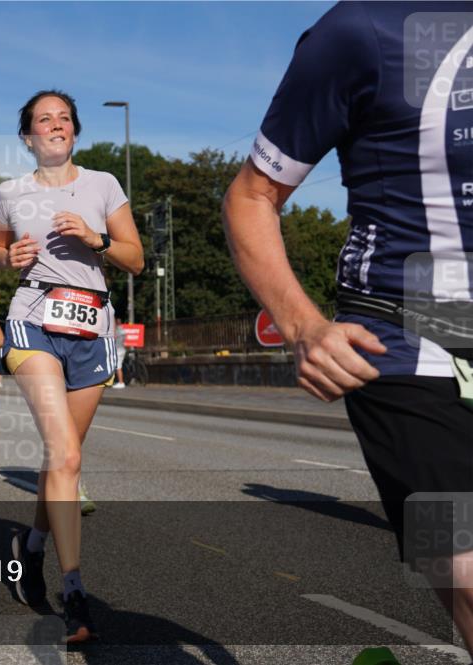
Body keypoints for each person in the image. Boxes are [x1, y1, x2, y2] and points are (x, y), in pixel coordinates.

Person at [221, 2, 473, 650]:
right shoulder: (362, 28)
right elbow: (251, 198)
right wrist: (303, 324)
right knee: (465, 572)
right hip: (401, 345)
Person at [0, 89, 143, 642]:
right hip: (32, 319)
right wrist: (11, 258)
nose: (55, 125)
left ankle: (28, 549)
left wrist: (96, 239)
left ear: (74, 131)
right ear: (27, 136)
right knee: (68, 455)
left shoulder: (103, 185)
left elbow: (135, 257)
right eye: (42, 119)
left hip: (92, 328)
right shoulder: (10, 192)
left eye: (63, 118)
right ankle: (74, 590)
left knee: (61, 460)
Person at [113, 317, 127, 389]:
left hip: (118, 350)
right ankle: (118, 381)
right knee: (117, 366)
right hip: (122, 349)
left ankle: (121, 382)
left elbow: (113, 338)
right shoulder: (123, 330)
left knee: (118, 367)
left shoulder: (117, 331)